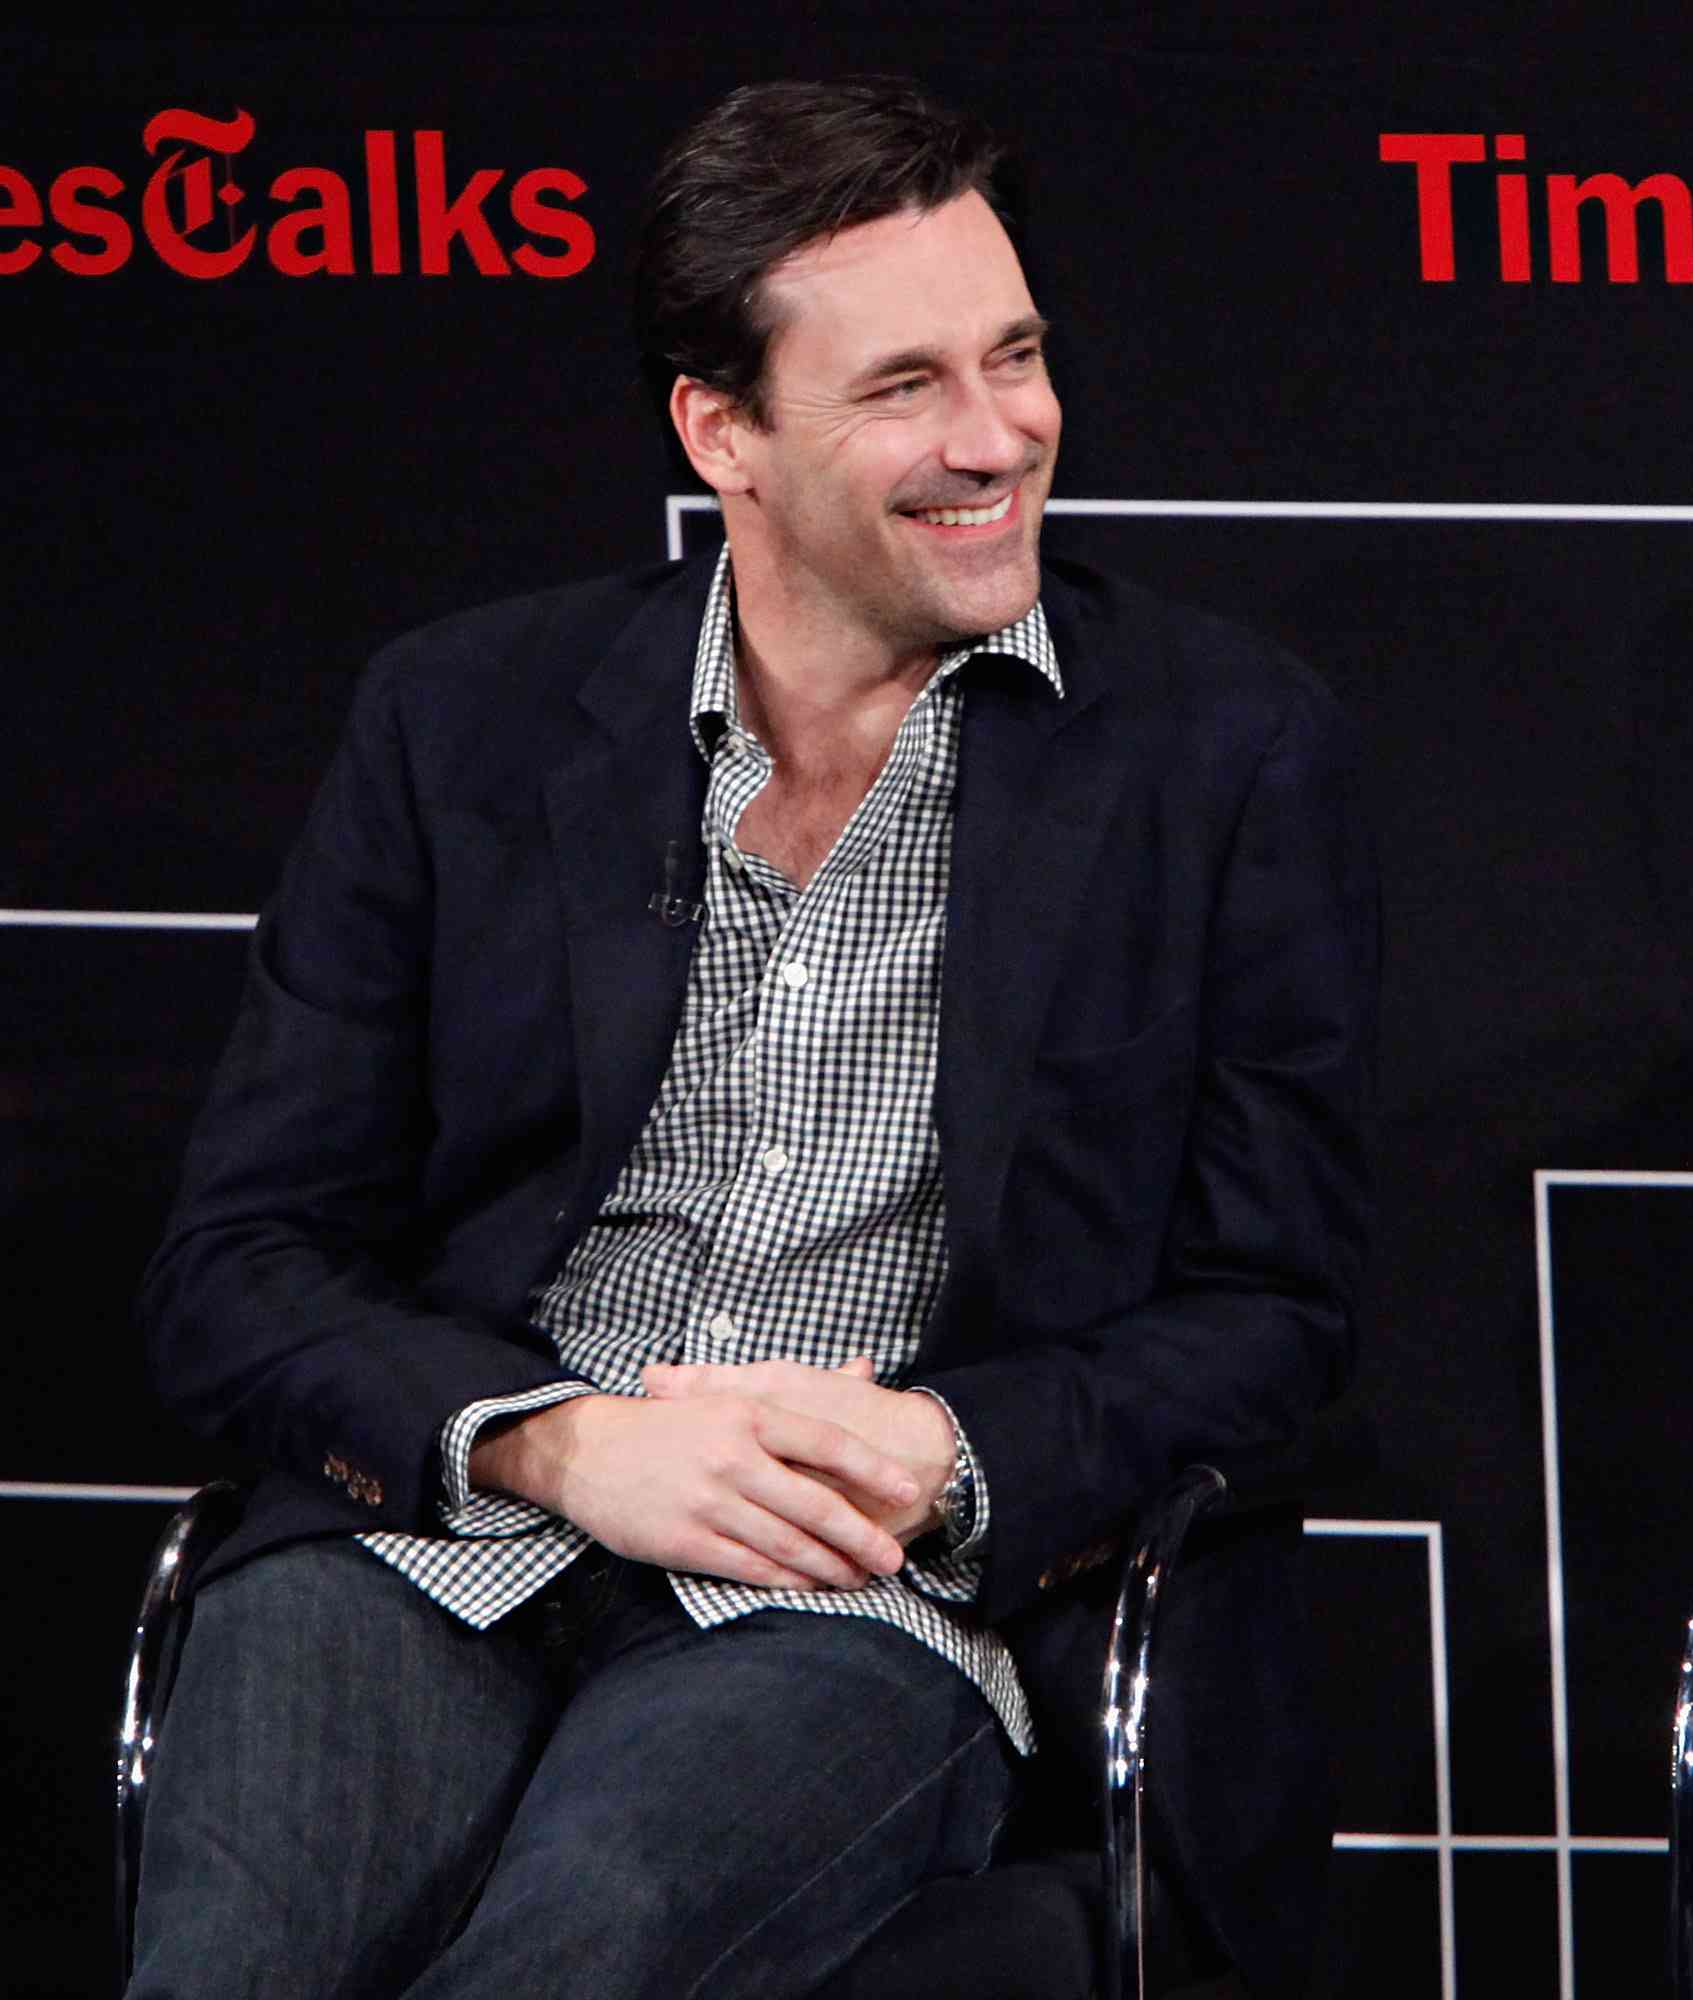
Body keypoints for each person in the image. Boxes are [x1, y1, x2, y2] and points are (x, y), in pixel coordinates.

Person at [131, 76, 1377, 1999]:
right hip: (453, 1527)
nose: (1000, 438)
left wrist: (945, 1448)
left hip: (861, 1597)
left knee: (583, 1952)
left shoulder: (1221, 751)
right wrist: (550, 1447)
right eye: (905, 389)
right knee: (240, 1965)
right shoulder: (459, 718)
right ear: (724, 433)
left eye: (1018, 356)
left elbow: (1274, 1306)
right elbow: (235, 1266)